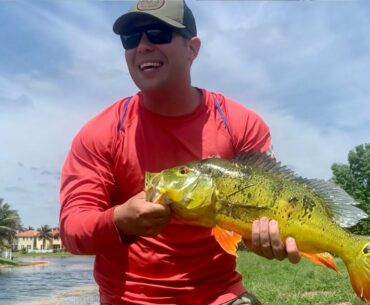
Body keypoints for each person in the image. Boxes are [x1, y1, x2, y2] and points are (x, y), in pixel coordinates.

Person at [59, 1, 301, 304]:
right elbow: (72, 229)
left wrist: (263, 239)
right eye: (131, 38)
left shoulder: (240, 124)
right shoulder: (101, 133)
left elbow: (269, 209)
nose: (144, 46)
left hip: (219, 295)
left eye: (159, 33)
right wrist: (120, 219)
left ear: (192, 48)